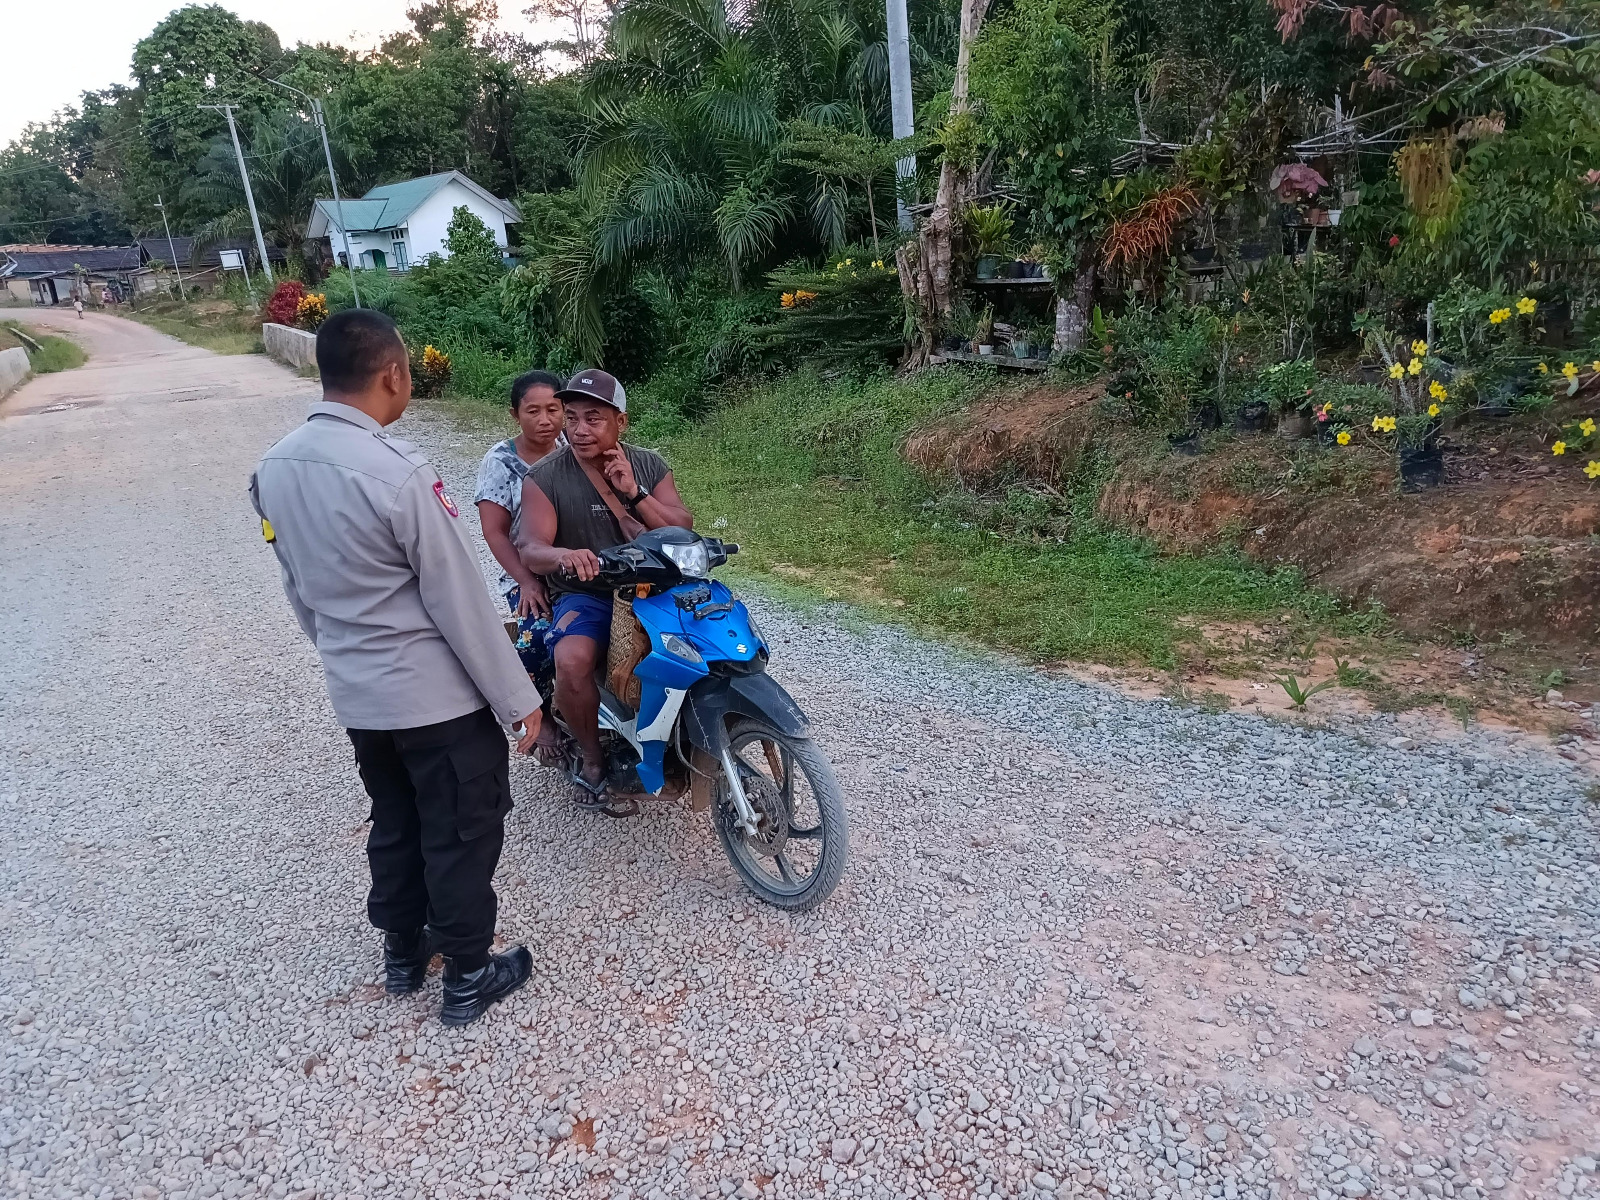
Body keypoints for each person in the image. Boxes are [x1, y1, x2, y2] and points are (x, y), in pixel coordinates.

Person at [250, 308, 544, 1027]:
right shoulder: (398, 472)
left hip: (359, 697)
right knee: (461, 828)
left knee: (396, 820)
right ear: (392, 373)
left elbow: (299, 588)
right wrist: (518, 699)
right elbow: (460, 600)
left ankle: (403, 954)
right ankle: (470, 972)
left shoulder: (272, 469)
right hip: (435, 702)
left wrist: (346, 659)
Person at [514, 369, 693, 796]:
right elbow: (531, 548)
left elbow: (682, 528)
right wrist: (564, 556)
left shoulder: (648, 463)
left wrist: (634, 492)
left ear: (620, 422)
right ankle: (593, 758)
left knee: (712, 644)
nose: (578, 429)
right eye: (571, 417)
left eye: (593, 418)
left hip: (654, 586)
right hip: (587, 592)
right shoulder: (545, 476)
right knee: (572, 660)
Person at [473, 370, 565, 759]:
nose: (545, 420)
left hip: (573, 565)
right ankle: (535, 714)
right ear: (515, 414)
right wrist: (527, 582)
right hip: (526, 569)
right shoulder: (501, 462)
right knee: (540, 635)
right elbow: (494, 531)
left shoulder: (571, 447)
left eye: (554, 409)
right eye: (533, 411)